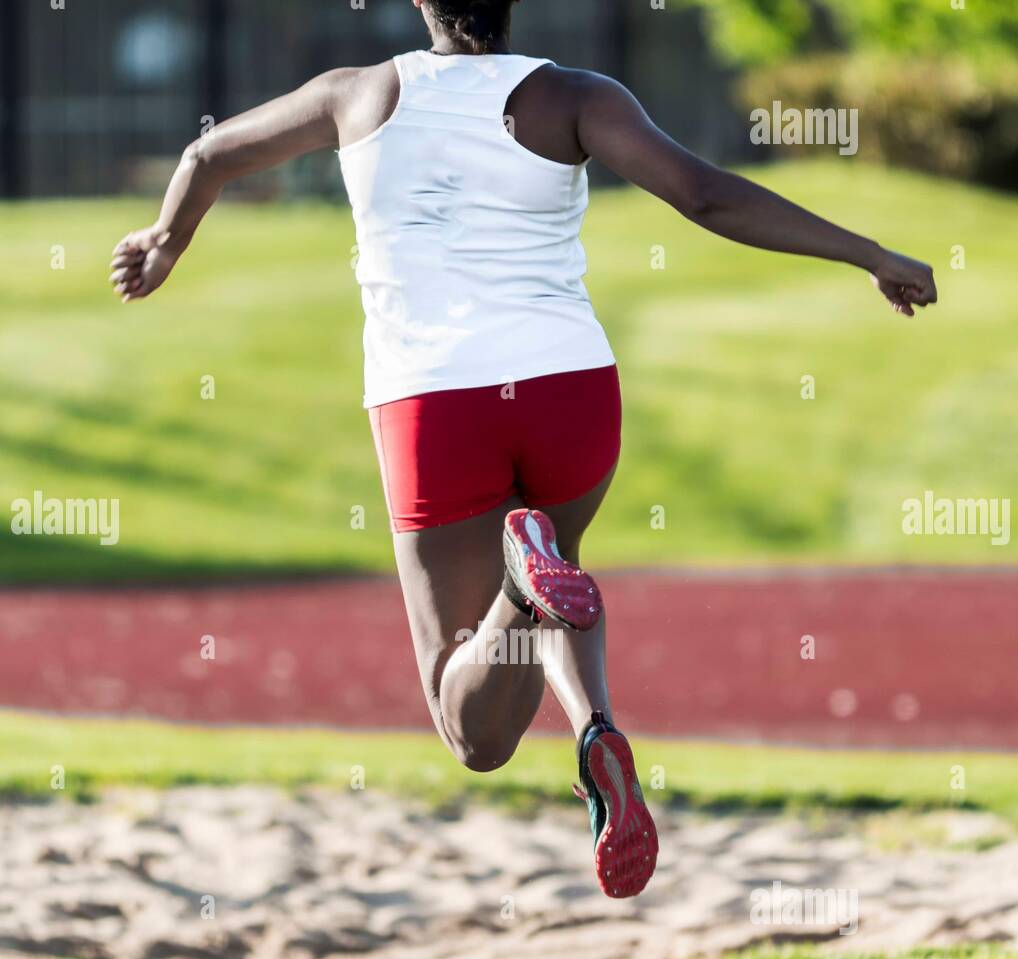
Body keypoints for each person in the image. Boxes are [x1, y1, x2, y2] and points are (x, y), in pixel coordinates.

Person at [110, 0, 937, 900]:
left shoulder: (352, 95)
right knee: (559, 559)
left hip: (436, 400)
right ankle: (593, 731)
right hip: (570, 392)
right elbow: (706, 194)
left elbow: (207, 154)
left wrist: (165, 241)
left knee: (472, 728)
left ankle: (520, 583)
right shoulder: (577, 97)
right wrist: (869, 254)